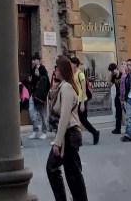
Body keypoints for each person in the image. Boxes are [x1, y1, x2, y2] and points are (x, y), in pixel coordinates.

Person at [46, 55, 88, 201]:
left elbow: (64, 117)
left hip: (69, 135)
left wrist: (57, 142)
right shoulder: (62, 87)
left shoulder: (67, 88)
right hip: (66, 135)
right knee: (69, 173)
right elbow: (53, 111)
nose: (54, 70)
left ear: (62, 69)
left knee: (72, 175)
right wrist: (52, 91)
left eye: (56, 67)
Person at [70, 57, 99, 145]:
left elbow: (84, 89)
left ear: (75, 64)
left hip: (82, 100)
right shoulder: (72, 74)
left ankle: (95, 132)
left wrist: (82, 103)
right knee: (78, 120)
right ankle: (78, 137)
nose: (70, 64)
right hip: (75, 101)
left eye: (71, 63)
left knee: (83, 120)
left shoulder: (80, 74)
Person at [29, 53, 48, 139]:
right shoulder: (33, 69)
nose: (33, 61)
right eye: (32, 60)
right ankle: (35, 130)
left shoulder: (43, 68)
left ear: (38, 60)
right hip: (33, 94)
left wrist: (39, 76)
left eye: (34, 60)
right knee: (32, 112)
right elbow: (32, 81)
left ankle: (44, 132)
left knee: (42, 114)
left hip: (41, 96)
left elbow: (46, 80)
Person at [108, 64, 122, 134]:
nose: (112, 72)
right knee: (118, 113)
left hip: (123, 96)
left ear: (116, 68)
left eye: (112, 71)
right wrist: (110, 76)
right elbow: (109, 85)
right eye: (111, 71)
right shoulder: (113, 76)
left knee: (128, 112)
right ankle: (118, 129)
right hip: (117, 96)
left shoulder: (122, 75)